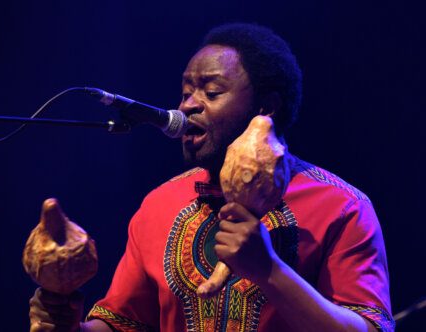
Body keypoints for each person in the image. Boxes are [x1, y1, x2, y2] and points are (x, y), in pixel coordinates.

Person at [29, 23, 394, 331]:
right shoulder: (160, 205)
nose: (188, 104)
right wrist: (68, 326)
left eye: (211, 91)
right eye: (186, 92)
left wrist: (269, 270)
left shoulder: (341, 206)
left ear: (266, 107)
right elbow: (123, 323)